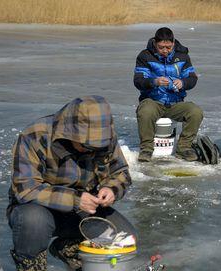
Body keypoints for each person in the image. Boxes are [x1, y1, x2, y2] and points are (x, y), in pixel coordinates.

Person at [7, 96, 135, 271]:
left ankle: (66, 248)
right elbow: (25, 188)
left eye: (96, 147)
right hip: (37, 208)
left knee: (123, 238)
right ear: (70, 133)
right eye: (86, 145)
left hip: (85, 209)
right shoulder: (35, 135)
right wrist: (75, 199)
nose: (92, 150)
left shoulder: (105, 138)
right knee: (32, 221)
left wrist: (111, 188)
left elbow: (120, 173)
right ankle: (30, 266)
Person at [134, 27, 203, 162]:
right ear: (155, 43)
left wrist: (183, 82)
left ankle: (184, 148)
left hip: (175, 103)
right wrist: (154, 81)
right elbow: (138, 81)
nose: (165, 51)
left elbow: (192, 78)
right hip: (153, 101)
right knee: (145, 111)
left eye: (168, 47)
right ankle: (146, 149)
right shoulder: (145, 56)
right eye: (161, 47)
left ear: (173, 43)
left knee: (195, 112)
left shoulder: (183, 56)